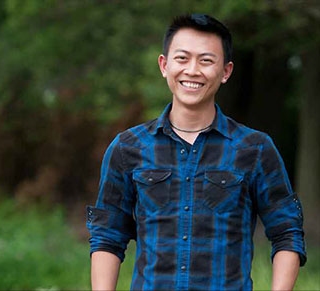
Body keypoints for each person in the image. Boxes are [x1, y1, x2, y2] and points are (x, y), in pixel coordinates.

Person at [87, 13, 306, 290]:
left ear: (225, 71)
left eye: (206, 61)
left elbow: (286, 231)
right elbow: (108, 235)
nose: (192, 70)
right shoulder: (128, 147)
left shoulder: (255, 149)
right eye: (182, 58)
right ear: (164, 65)